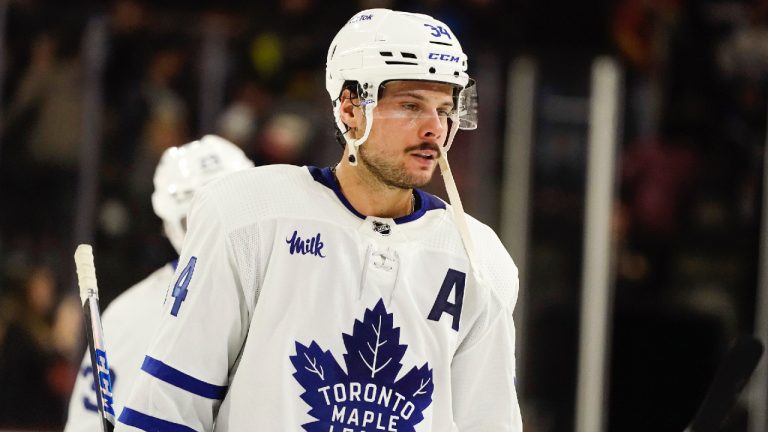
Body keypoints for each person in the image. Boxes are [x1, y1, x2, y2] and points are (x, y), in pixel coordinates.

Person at [117, 9, 522, 431]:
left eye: (444, 108)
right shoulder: (249, 217)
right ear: (350, 106)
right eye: (410, 105)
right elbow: (168, 408)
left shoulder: (480, 260)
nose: (434, 129)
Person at [63, 136, 254, 432]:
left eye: (231, 213)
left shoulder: (291, 283)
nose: (217, 231)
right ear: (168, 223)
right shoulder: (132, 315)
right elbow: (86, 425)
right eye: (196, 219)